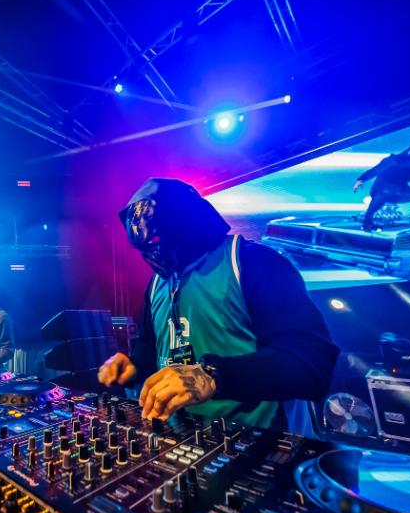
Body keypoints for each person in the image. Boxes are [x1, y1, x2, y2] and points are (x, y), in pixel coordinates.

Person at [97, 178, 340, 432]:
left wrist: (213, 375)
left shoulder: (253, 262)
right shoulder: (158, 283)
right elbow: (151, 346)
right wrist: (134, 367)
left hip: (260, 440)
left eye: (159, 240)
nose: (154, 252)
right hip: (185, 439)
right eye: (146, 247)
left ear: (186, 222)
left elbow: (312, 363)